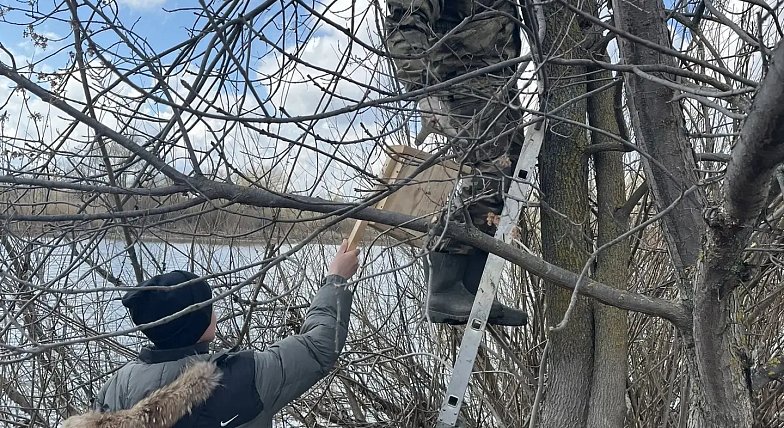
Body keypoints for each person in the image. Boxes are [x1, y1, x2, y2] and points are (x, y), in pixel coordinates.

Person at [66, 239, 360, 428]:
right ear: (198, 326)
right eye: (209, 308)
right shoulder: (244, 375)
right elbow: (317, 347)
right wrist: (336, 279)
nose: (215, 312)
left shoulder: (119, 385)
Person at [385, 0, 527, 325]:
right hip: (465, 77)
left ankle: (473, 289)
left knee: (504, 185)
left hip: (498, 82)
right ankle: (445, 289)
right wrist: (423, 89)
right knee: (488, 176)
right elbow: (406, 17)